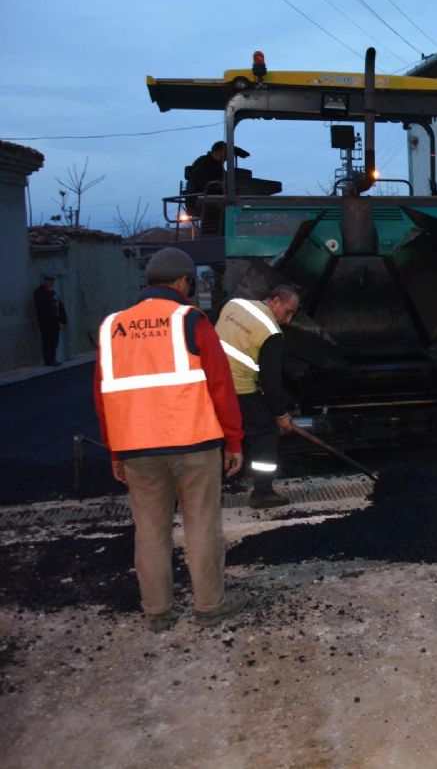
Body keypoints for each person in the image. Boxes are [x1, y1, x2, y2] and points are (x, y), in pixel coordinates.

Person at [93, 247, 247, 632]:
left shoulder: (112, 326)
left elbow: (102, 396)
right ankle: (209, 606)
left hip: (136, 448)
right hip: (193, 443)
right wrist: (234, 441)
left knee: (149, 529)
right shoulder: (190, 320)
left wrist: (114, 450)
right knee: (201, 525)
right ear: (183, 283)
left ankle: (158, 612)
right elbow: (221, 386)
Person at [215, 285, 301, 508]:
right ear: (275, 301)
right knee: (266, 434)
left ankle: (206, 491)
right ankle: (262, 492)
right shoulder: (272, 332)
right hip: (239, 389)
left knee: (217, 437)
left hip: (211, 384)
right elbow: (271, 381)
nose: (288, 320)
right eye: (288, 312)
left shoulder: (234, 305)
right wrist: (280, 415)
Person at [33, 274, 67, 366]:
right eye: (49, 282)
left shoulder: (53, 292)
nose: (51, 284)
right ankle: (49, 361)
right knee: (47, 341)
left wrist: (63, 320)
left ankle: (53, 359)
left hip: (55, 321)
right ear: (45, 282)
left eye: (52, 282)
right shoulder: (40, 293)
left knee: (54, 341)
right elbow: (43, 307)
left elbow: (59, 306)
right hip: (46, 323)